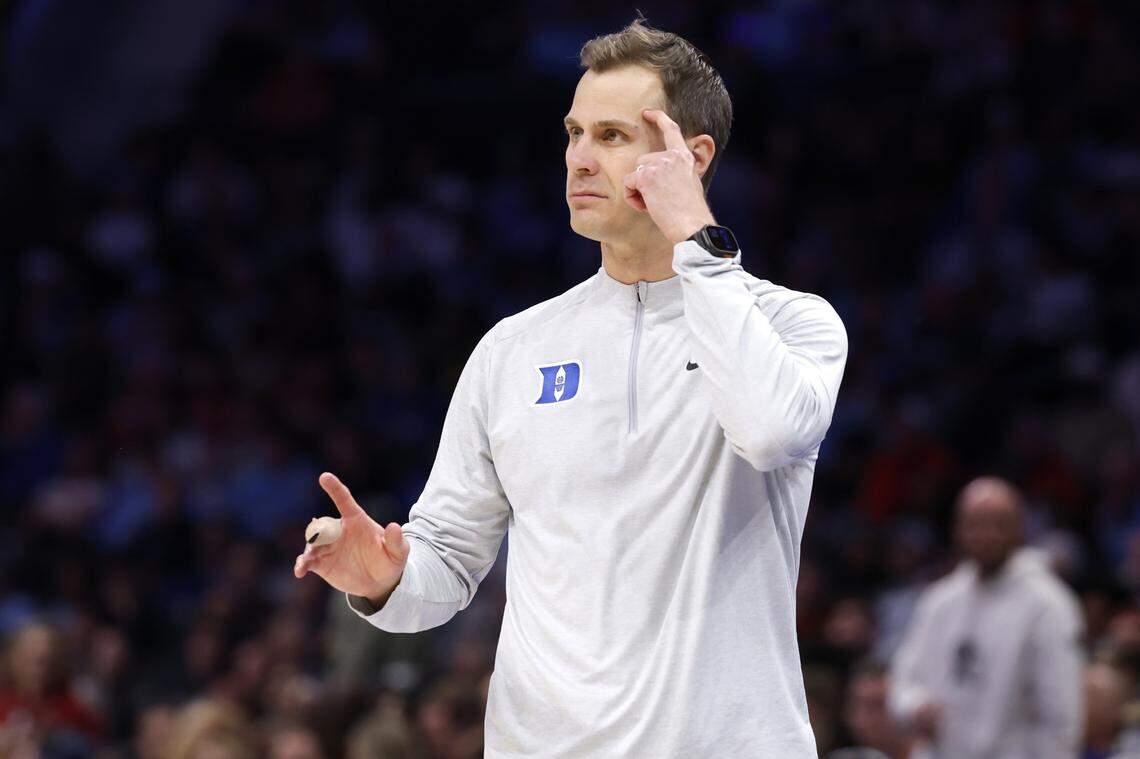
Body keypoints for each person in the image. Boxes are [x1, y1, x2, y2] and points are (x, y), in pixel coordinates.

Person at [294, 15, 848, 756]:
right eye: (574, 133)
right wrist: (385, 579)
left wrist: (698, 239)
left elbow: (771, 430)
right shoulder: (512, 350)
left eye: (612, 136)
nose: (580, 159)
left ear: (693, 157)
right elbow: (448, 560)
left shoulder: (792, 324)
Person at [888, 476, 1085, 759]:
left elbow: (1061, 714)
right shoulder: (940, 600)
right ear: (957, 529)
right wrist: (914, 706)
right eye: (974, 524)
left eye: (998, 524)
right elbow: (904, 680)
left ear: (1019, 529)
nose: (985, 535)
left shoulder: (1047, 604)